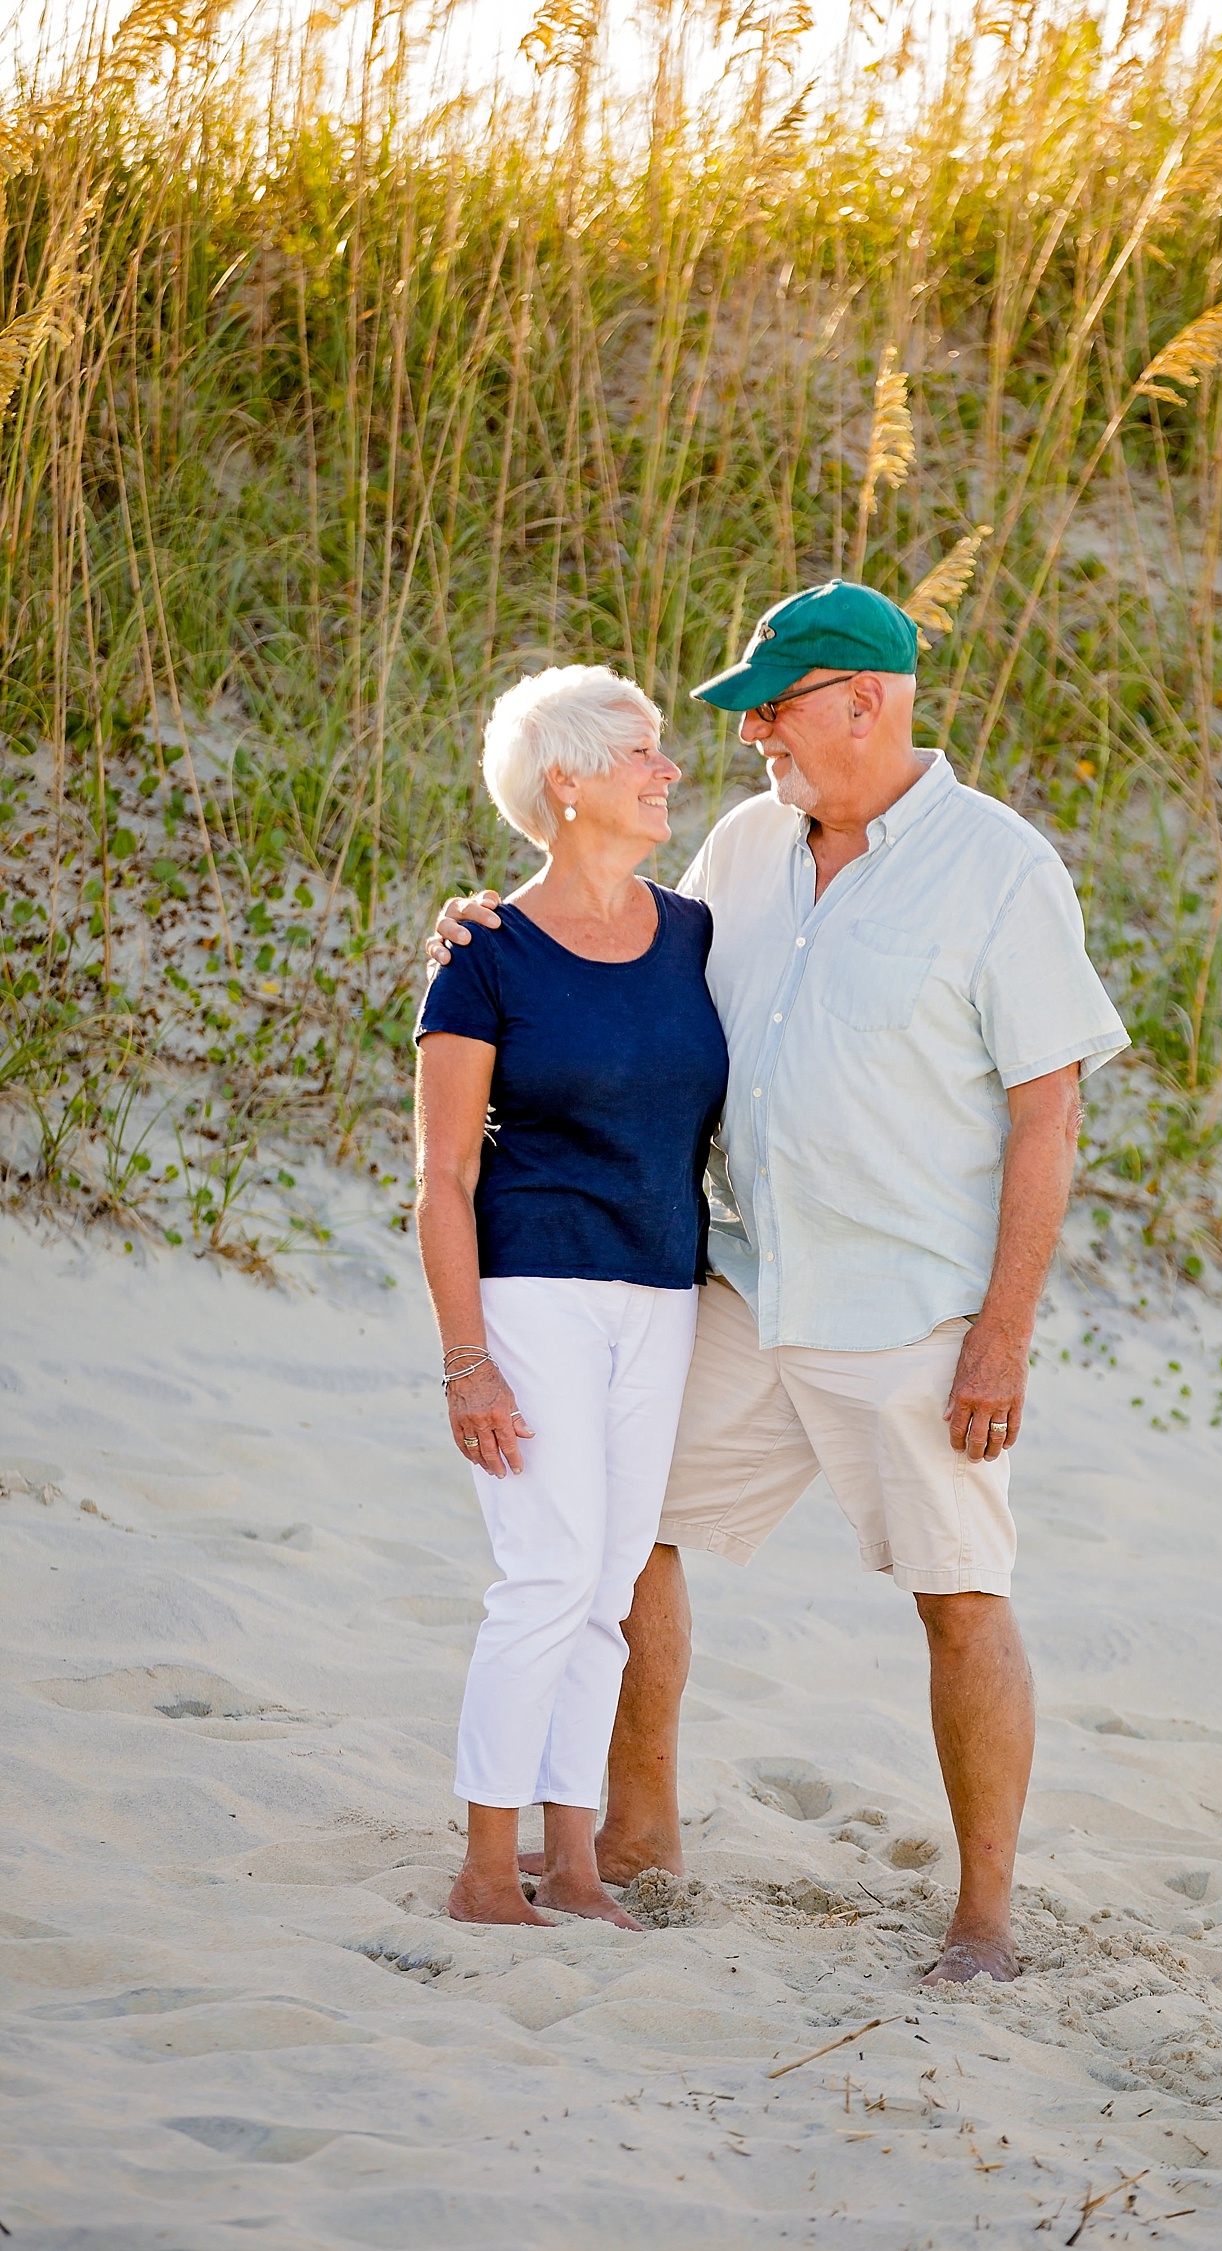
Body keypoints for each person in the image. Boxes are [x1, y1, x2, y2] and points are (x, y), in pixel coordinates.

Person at [428, 582, 1127, 1982]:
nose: (749, 732)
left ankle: (984, 1915)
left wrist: (1003, 1332)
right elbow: (607, 937)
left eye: (774, 705)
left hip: (915, 1311)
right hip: (746, 1285)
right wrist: (484, 921)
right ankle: (635, 1835)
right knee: (635, 1537)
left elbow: (1048, 1117)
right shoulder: (745, 849)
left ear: (863, 700)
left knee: (960, 1591)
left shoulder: (1002, 869)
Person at [413, 663, 728, 1930]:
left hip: (664, 1291)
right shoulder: (482, 958)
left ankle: (577, 1862)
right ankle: (489, 1870)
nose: (667, 772)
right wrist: (464, 1358)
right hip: (532, 1286)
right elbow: (439, 1178)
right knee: (544, 1576)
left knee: (605, 1586)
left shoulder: (695, 933)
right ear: (568, 782)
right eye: (643, 752)